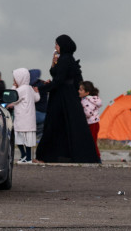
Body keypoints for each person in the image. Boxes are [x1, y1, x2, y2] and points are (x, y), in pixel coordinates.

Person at [35, 35, 100, 163]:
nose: (55, 47)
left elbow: (59, 80)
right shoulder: (67, 59)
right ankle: (59, 156)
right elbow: (58, 75)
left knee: (53, 125)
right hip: (67, 97)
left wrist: (42, 89)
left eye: (57, 44)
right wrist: (53, 63)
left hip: (63, 97)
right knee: (67, 127)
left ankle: (44, 156)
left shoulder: (65, 59)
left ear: (63, 46)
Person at [7, 68, 40, 163]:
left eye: (15, 79)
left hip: (22, 119)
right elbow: (36, 99)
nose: (14, 81)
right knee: (28, 140)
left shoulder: (20, 90)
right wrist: (37, 92)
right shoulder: (29, 88)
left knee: (20, 138)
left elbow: (12, 98)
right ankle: (28, 157)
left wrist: (13, 87)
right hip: (30, 119)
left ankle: (24, 156)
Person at [79, 81, 102, 159]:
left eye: (81, 90)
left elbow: (88, 113)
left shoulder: (85, 101)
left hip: (92, 124)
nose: (79, 91)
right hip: (95, 123)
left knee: (92, 141)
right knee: (92, 141)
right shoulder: (93, 98)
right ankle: (93, 156)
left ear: (87, 92)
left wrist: (81, 110)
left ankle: (97, 157)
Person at [29, 69, 48, 140]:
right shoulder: (42, 84)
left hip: (35, 113)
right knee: (40, 135)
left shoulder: (32, 87)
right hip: (44, 113)